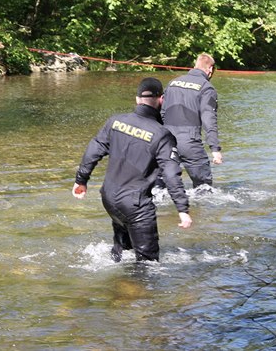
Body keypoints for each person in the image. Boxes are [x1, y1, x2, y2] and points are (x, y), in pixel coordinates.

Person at [72, 77, 193, 262]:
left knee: (122, 253)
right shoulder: (162, 135)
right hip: (136, 206)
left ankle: (117, 285)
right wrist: (182, 208)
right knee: (148, 265)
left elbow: (93, 151)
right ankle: (135, 289)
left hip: (109, 198)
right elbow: (171, 173)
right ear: (162, 100)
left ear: (137, 99)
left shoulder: (115, 122)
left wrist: (81, 180)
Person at [160, 53, 223, 188]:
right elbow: (208, 119)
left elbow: (162, 113)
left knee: (162, 187)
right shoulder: (206, 88)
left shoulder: (173, 83)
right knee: (204, 188)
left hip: (165, 142)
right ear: (210, 69)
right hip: (189, 143)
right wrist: (215, 148)